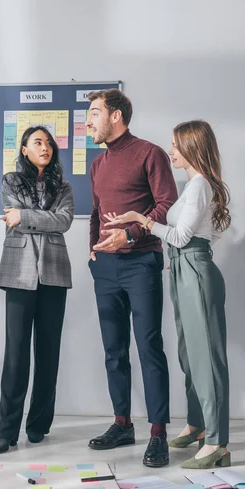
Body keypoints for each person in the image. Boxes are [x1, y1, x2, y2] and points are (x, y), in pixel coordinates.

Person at [104, 119, 231, 469]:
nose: (170, 151)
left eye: (175, 145)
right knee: (189, 354)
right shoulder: (193, 187)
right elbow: (205, 232)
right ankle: (199, 425)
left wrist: (141, 220)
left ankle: (218, 442)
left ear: (191, 147)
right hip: (181, 270)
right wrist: (182, 255)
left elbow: (181, 236)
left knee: (207, 358)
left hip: (194, 272)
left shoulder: (200, 185)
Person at [87, 89, 178, 467]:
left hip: (141, 264)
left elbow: (167, 205)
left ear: (117, 116)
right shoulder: (98, 164)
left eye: (94, 113)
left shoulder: (149, 154)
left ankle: (158, 433)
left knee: (149, 347)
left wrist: (132, 234)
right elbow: (96, 211)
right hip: (105, 269)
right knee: (113, 349)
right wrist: (93, 249)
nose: (88, 121)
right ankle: (122, 423)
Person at [0, 126, 74, 454]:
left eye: (49, 143)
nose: (45, 147)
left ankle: (38, 425)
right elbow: (30, 218)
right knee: (16, 354)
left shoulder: (63, 186)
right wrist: (42, 218)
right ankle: (6, 431)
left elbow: (65, 221)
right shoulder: (11, 180)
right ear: (24, 149)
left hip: (54, 274)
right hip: (18, 274)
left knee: (48, 353)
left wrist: (24, 216)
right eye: (38, 142)